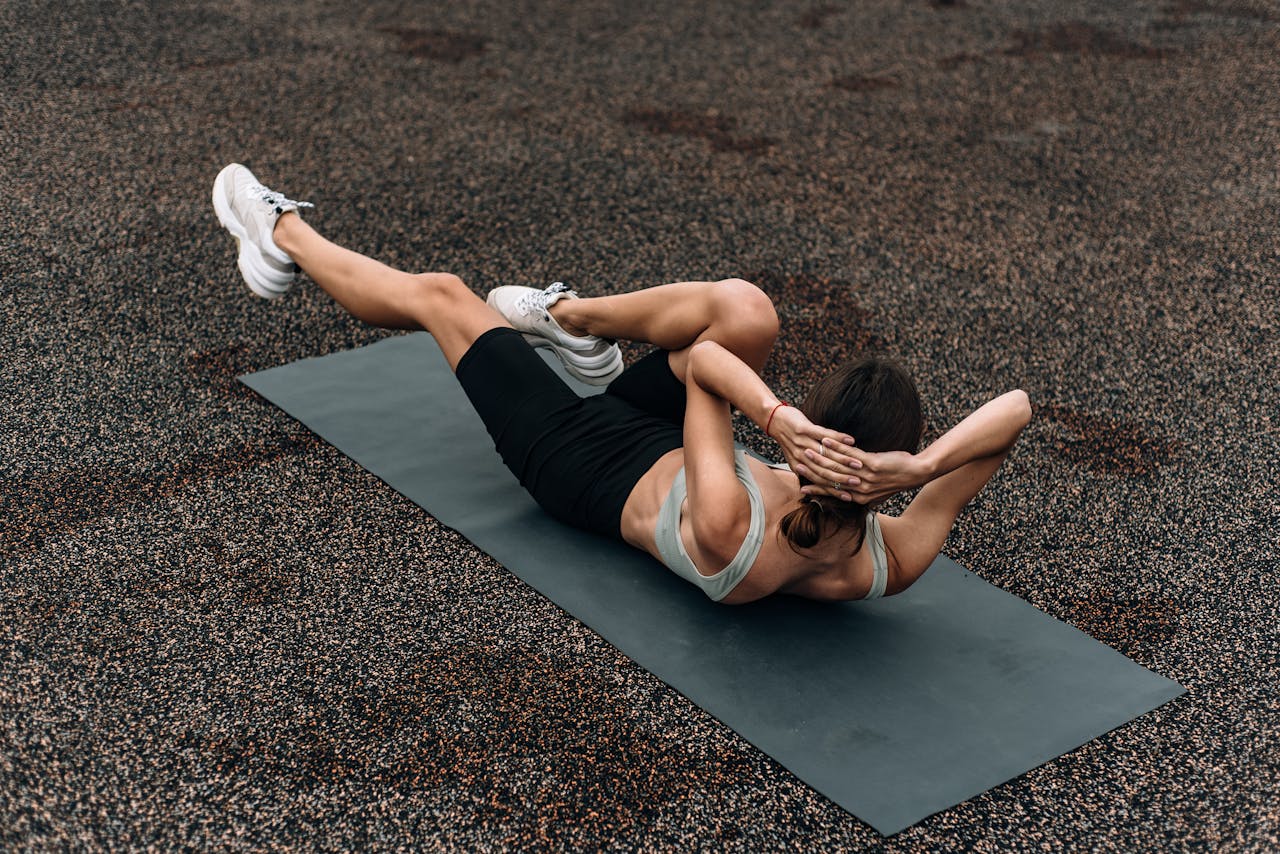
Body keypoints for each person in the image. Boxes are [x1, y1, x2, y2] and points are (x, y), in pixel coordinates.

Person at [212, 163, 1032, 605]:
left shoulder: (730, 523)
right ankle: (571, 322)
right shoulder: (887, 557)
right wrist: (921, 474)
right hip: (664, 444)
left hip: (575, 464)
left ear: (817, 427)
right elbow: (1016, 411)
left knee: (442, 296)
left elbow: (710, 373)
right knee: (749, 311)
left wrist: (774, 418)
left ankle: (279, 231)